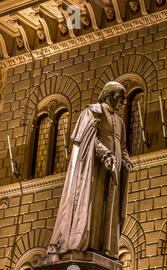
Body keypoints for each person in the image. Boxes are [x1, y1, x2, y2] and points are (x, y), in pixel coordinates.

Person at [46, 81, 132, 260]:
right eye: (120, 98)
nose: (123, 103)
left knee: (108, 209)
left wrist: (125, 159)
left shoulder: (120, 122)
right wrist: (105, 154)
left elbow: (122, 145)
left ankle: (103, 247)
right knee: (92, 205)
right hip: (94, 169)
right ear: (109, 96)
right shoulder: (93, 111)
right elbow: (87, 139)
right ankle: (85, 244)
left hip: (113, 170)